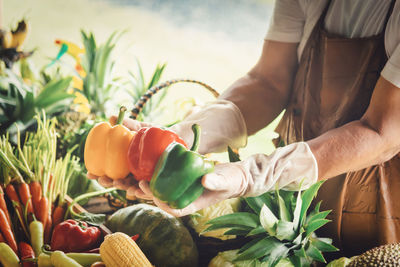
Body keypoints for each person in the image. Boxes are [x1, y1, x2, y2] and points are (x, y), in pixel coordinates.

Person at [88, 0, 400, 257]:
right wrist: (179, 139)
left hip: (380, 214)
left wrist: (253, 175)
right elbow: (269, 81)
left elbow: (381, 132)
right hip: (292, 206)